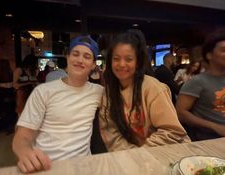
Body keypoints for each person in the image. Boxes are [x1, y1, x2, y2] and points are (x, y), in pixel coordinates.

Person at [12, 35, 103, 173]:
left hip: (82, 167)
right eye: (75, 54)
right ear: (68, 57)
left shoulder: (98, 92)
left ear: (93, 64)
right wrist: (25, 152)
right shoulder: (43, 91)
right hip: (46, 167)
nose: (79, 60)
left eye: (86, 56)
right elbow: (22, 137)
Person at [99, 32, 190, 152]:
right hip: (132, 156)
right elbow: (111, 134)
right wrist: (131, 155)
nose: (121, 64)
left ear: (138, 62)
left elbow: (172, 131)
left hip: (169, 154)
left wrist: (140, 154)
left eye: (128, 59)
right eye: (116, 59)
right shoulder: (108, 93)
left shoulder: (153, 88)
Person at [176, 29, 225, 141]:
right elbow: (180, 113)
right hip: (209, 140)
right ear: (209, 55)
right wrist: (215, 127)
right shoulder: (197, 81)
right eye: (223, 50)